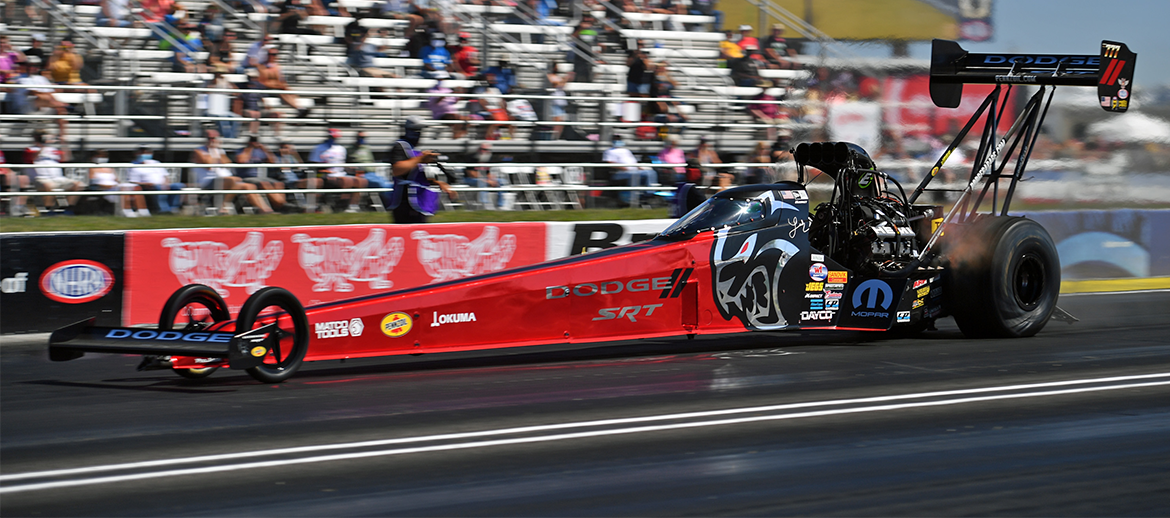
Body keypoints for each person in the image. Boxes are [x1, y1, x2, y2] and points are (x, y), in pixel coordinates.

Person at [387, 116, 457, 223]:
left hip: (419, 201)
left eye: (420, 131)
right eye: (415, 130)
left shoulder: (414, 150)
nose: (418, 134)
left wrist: (439, 183)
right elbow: (397, 169)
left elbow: (417, 175)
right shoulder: (400, 146)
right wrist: (421, 158)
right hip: (405, 202)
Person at [193, 130, 272, 215]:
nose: (212, 141)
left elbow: (227, 163)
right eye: (210, 138)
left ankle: (264, 210)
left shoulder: (219, 151)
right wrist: (212, 150)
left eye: (214, 138)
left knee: (250, 186)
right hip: (208, 182)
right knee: (233, 180)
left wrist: (217, 150)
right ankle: (222, 207)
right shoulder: (199, 151)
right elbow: (208, 165)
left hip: (227, 181)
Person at [309, 128, 367, 213]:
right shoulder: (319, 148)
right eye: (332, 137)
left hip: (340, 174)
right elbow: (313, 165)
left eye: (335, 138)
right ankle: (341, 205)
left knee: (362, 181)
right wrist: (324, 170)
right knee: (346, 180)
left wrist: (351, 168)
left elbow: (343, 164)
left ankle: (353, 206)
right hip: (326, 175)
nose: (333, 140)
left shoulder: (341, 149)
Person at [28, 131, 82, 212]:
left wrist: (63, 143)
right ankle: (48, 210)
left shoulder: (53, 150)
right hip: (41, 179)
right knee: (49, 186)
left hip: (59, 178)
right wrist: (42, 145)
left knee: (78, 185)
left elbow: (66, 158)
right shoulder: (31, 149)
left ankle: (68, 209)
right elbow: (31, 158)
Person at [89, 149, 151, 218]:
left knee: (136, 188)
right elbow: (93, 182)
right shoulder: (92, 168)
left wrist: (116, 184)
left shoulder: (109, 168)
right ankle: (127, 211)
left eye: (104, 156)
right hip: (104, 189)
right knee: (123, 189)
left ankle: (143, 210)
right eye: (99, 156)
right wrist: (109, 186)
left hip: (115, 187)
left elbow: (116, 180)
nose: (102, 158)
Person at [15, 58, 69, 136]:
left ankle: (62, 136)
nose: (32, 68)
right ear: (26, 66)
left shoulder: (42, 78)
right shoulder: (20, 79)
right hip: (27, 107)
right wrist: (51, 99)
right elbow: (31, 92)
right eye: (30, 65)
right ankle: (60, 105)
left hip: (43, 104)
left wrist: (55, 101)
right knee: (43, 97)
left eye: (35, 66)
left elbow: (50, 92)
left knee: (61, 109)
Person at [236, 135, 287, 211]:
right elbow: (242, 161)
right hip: (247, 177)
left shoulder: (260, 151)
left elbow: (273, 161)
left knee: (279, 184)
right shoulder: (241, 151)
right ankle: (283, 205)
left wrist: (265, 149)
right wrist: (250, 148)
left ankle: (280, 205)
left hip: (261, 177)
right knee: (264, 184)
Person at [128, 146, 185, 214]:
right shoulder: (133, 166)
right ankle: (164, 210)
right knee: (158, 188)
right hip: (148, 186)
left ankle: (174, 208)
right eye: (142, 153)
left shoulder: (156, 162)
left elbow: (165, 176)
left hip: (163, 184)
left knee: (178, 185)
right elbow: (133, 181)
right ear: (136, 154)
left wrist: (166, 183)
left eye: (147, 153)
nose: (144, 155)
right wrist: (148, 184)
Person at [257, 47, 311, 117]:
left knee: (288, 92)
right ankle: (299, 109)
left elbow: (282, 80)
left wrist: (284, 87)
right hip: (266, 89)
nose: (273, 56)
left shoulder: (277, 67)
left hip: (277, 88)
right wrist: (277, 86)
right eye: (271, 54)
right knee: (282, 92)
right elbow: (262, 82)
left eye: (275, 54)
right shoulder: (262, 67)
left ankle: (300, 109)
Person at [603, 138, 656, 206]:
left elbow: (633, 162)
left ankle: (650, 193)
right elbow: (610, 163)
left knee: (651, 172)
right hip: (620, 172)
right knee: (637, 174)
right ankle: (634, 198)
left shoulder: (626, 150)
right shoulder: (609, 151)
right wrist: (623, 168)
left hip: (633, 170)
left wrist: (640, 168)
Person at [276, 141, 322, 212]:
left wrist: (295, 154)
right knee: (311, 182)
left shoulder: (292, 157)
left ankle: (314, 205)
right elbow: (283, 168)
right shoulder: (277, 157)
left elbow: (301, 167)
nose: (286, 150)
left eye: (287, 148)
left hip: (297, 178)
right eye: (283, 148)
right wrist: (282, 155)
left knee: (317, 182)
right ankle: (305, 206)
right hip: (287, 179)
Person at [463, 143, 510, 210]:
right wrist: (486, 180)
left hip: (483, 179)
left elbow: (488, 173)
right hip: (469, 179)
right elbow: (471, 173)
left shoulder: (488, 159)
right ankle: (484, 204)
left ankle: (501, 205)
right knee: (482, 183)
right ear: (478, 149)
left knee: (502, 182)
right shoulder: (471, 157)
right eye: (482, 149)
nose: (483, 151)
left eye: (486, 150)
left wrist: (492, 179)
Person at [569, 14, 600, 83]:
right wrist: (581, 28)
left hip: (590, 54)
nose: (587, 20)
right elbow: (573, 37)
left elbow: (596, 42)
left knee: (589, 72)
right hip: (579, 54)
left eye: (588, 18)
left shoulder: (595, 29)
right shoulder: (577, 27)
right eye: (585, 17)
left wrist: (597, 54)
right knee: (578, 72)